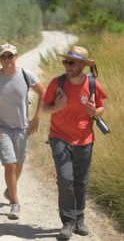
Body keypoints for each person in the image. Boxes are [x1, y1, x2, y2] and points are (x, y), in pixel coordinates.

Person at [42, 46, 107, 239]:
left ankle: (79, 220)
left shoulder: (93, 85)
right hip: (59, 136)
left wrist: (94, 112)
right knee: (65, 179)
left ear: (82, 65)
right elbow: (45, 108)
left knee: (81, 181)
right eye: (65, 62)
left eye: (71, 63)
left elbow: (102, 107)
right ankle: (68, 222)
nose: (67, 66)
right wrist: (57, 106)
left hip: (85, 139)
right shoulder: (57, 83)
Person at [0, 44, 45, 219]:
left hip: (22, 128)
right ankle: (15, 202)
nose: (7, 60)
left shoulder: (26, 75)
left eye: (10, 56)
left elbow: (43, 94)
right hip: (3, 128)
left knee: (19, 164)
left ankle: (9, 190)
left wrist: (36, 118)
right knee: (10, 164)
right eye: (3, 57)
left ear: (16, 57)